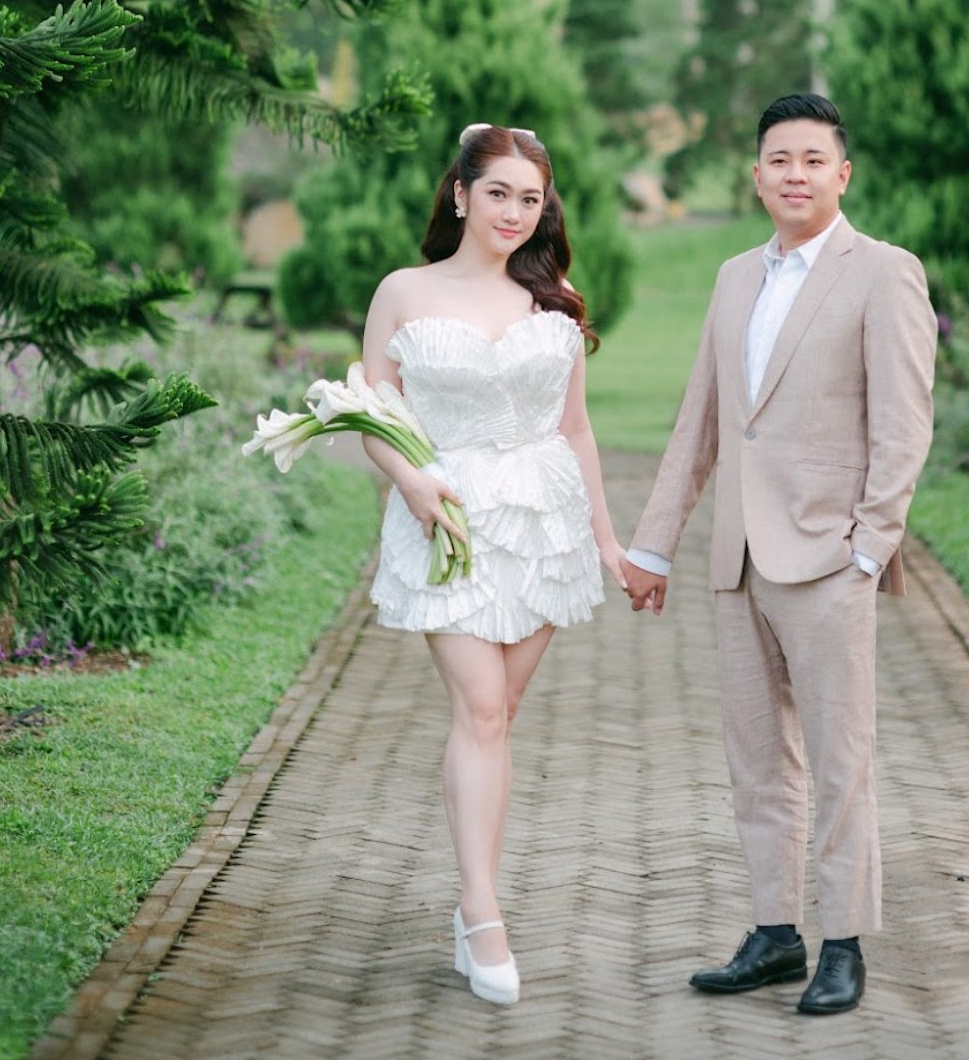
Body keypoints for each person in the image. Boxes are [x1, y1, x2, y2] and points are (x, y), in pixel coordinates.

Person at [623, 93, 937, 1017]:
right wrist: (654, 545)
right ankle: (775, 933)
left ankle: (843, 942)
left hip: (831, 560)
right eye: (778, 159)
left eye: (812, 159)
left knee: (841, 762)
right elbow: (703, 421)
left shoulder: (883, 273)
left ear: (843, 174)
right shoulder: (733, 279)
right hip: (739, 560)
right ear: (756, 175)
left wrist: (869, 548)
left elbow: (905, 424)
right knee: (759, 760)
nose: (794, 174)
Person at [360, 123, 627, 1007]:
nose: (514, 212)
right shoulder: (403, 292)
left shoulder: (555, 298)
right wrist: (412, 482)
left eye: (531, 199)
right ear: (461, 194)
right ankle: (482, 912)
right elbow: (372, 416)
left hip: (544, 524)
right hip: (450, 519)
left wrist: (605, 541)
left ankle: (471, 900)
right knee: (479, 708)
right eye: (499, 193)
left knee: (498, 714)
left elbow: (575, 428)